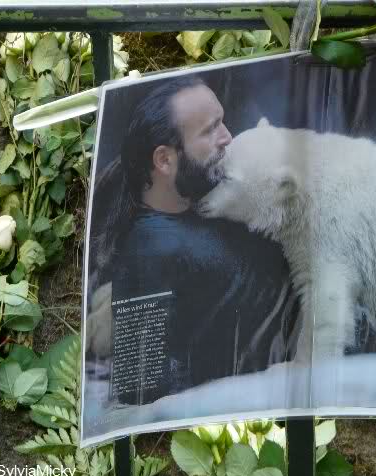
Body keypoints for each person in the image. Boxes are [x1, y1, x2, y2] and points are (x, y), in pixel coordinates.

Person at [92, 75, 299, 405]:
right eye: (210, 130)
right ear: (164, 160)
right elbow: (141, 387)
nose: (228, 137)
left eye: (222, 121)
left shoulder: (202, 195)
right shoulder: (151, 249)